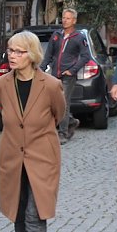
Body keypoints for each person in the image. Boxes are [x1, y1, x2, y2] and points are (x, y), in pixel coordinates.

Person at [0, 31, 66, 232]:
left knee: (35, 214)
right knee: (18, 211)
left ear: (32, 55)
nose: (13, 56)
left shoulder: (50, 85)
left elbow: (58, 114)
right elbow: (7, 116)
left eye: (19, 51)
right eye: (11, 50)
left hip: (42, 158)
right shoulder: (1, 84)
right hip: (12, 158)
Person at [40, 8, 89, 144]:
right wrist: (41, 69)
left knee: (64, 103)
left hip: (68, 76)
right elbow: (48, 55)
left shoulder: (79, 37)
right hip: (55, 74)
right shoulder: (56, 35)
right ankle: (71, 121)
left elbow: (86, 57)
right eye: (63, 17)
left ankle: (63, 132)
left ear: (74, 20)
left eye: (68, 18)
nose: (65, 20)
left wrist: (72, 70)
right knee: (53, 103)